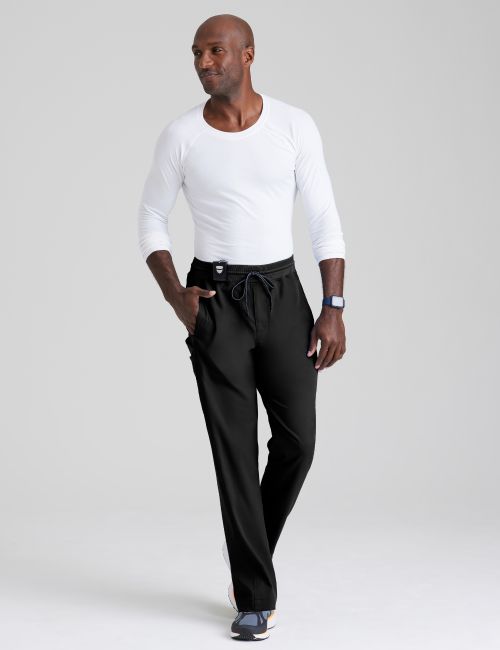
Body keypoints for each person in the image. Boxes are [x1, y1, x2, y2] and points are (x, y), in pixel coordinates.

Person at [137, 13, 347, 642]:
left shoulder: (293, 125)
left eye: (215, 51)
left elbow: (324, 218)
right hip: (215, 299)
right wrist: (178, 298)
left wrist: (334, 305)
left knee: (298, 442)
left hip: (283, 294)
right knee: (234, 451)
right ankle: (255, 596)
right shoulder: (181, 136)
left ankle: (249, 558)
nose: (203, 63)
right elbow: (150, 219)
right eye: (196, 53)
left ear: (248, 55)